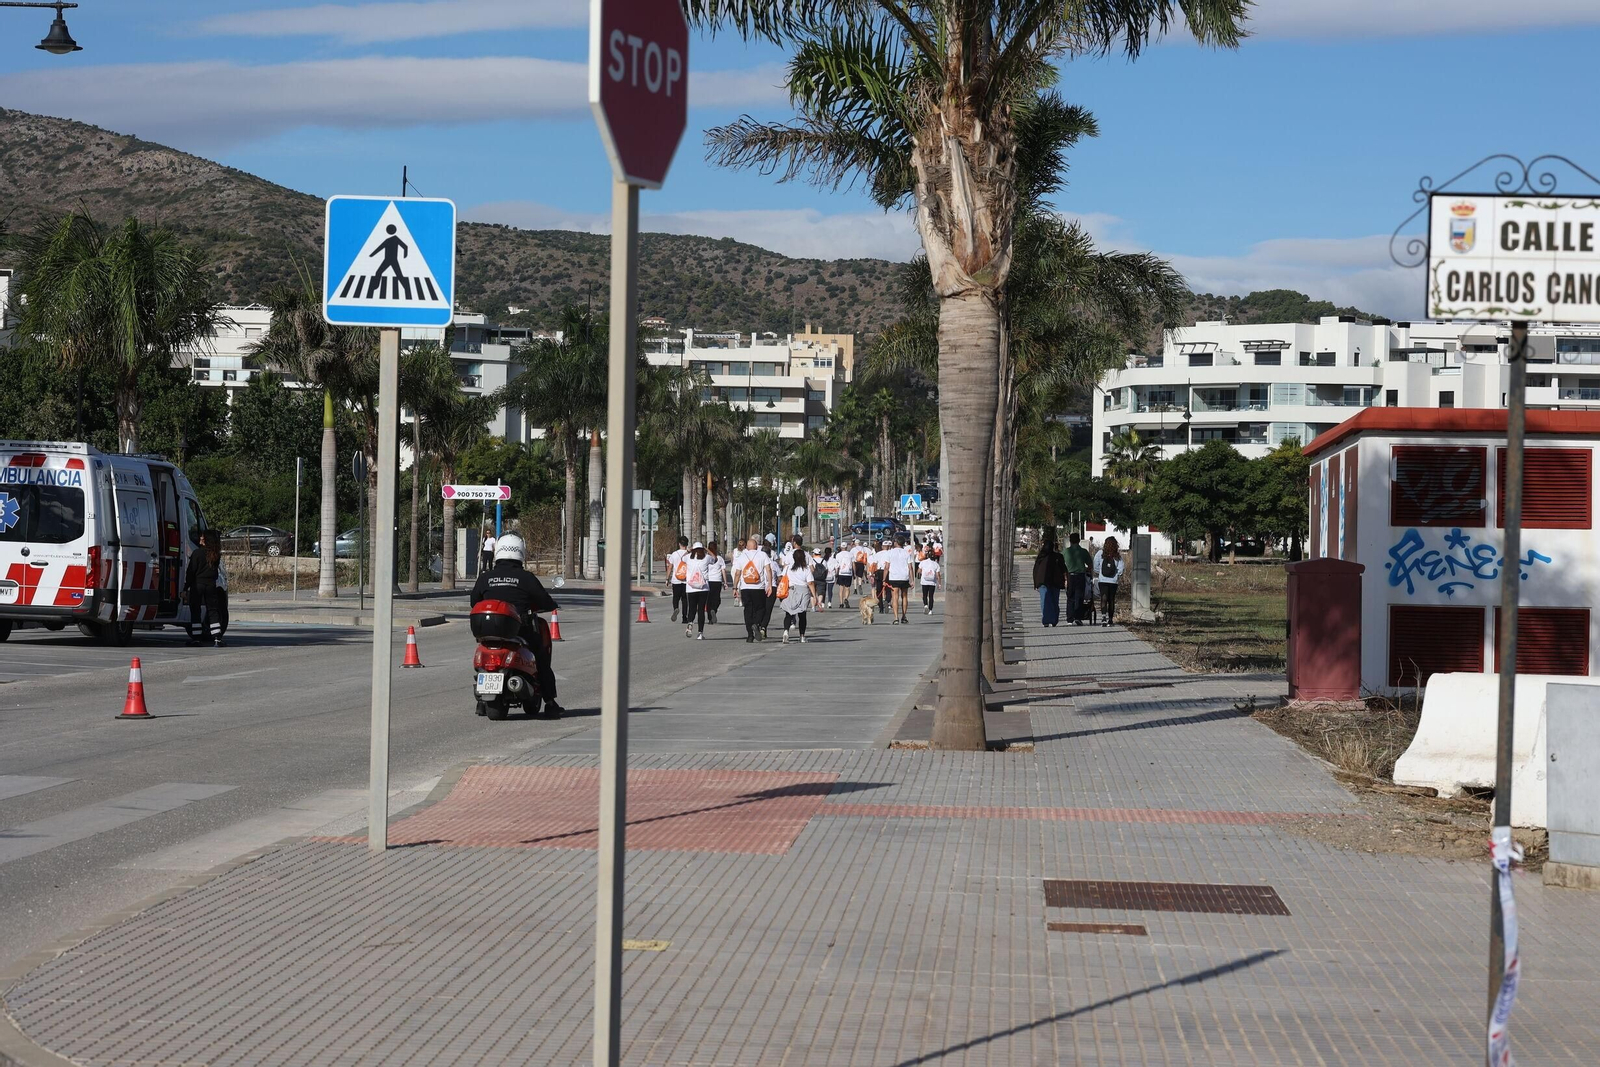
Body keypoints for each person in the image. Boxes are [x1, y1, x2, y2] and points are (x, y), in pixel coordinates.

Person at [470, 533, 564, 714]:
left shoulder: (485, 577)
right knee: (541, 657)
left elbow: (475, 601)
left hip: (490, 631)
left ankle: (482, 701)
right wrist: (551, 605)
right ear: (521, 552)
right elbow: (544, 600)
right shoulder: (525, 577)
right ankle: (550, 702)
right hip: (521, 628)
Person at [184, 529, 226, 647]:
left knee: (195, 610)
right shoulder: (215, 554)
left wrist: (185, 587)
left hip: (198, 585)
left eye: (203, 537)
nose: (200, 539)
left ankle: (196, 638)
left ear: (207, 539)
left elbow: (191, 572)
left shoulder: (197, 553)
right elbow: (216, 573)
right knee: (213, 610)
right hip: (211, 585)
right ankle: (217, 637)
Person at [731, 535, 770, 643]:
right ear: (756, 546)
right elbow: (768, 570)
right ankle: (756, 623)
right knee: (761, 608)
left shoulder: (742, 557)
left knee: (748, 610)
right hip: (758, 587)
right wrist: (770, 584)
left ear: (747, 547)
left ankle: (749, 635)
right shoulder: (762, 555)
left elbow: (738, 573)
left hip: (745, 588)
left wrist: (735, 587)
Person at [780, 547, 817, 644]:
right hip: (803, 591)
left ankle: (785, 632)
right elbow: (810, 583)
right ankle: (802, 636)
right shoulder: (806, 569)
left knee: (788, 613)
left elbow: (782, 577)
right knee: (802, 615)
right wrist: (814, 596)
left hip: (791, 590)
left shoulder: (788, 568)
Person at [1032, 533, 1067, 627]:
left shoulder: (1041, 557)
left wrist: (1035, 584)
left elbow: (1035, 570)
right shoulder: (1058, 557)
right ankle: (1054, 620)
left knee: (1045, 601)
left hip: (1042, 582)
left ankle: (1046, 620)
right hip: (1056, 582)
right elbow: (1063, 569)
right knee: (1055, 601)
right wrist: (1065, 580)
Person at [1093, 535, 1126, 627]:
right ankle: (1110, 619)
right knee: (1111, 599)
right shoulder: (1117, 555)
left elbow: (1095, 565)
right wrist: (1117, 575)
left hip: (1102, 580)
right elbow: (1121, 569)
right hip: (1113, 581)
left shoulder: (1100, 553)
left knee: (1103, 597)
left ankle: (1103, 618)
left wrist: (1099, 572)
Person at [680, 542, 711, 639]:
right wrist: (707, 549)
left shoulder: (689, 557)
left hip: (691, 587)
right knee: (701, 610)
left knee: (692, 608)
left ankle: (690, 623)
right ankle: (700, 633)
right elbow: (715, 558)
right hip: (703, 587)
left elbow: (682, 558)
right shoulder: (707, 557)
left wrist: (688, 550)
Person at [1064, 531, 1092, 626]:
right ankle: (1078, 617)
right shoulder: (1083, 551)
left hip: (1070, 576)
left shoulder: (1066, 552)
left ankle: (1069, 619)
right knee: (1079, 598)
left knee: (1070, 597)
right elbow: (1090, 564)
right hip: (1080, 576)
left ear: (1070, 541)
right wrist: (1086, 569)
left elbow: (1061, 564)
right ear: (1079, 541)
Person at [885, 535, 915, 623]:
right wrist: (912, 580)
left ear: (896, 542)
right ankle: (904, 616)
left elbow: (886, 567)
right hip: (904, 577)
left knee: (895, 597)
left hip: (894, 577)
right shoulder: (906, 553)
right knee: (904, 596)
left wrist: (884, 579)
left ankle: (896, 618)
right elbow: (910, 567)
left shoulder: (890, 553)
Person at [667, 536, 688, 622]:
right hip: (686, 580)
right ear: (687, 544)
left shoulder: (674, 554)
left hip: (676, 579)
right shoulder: (689, 554)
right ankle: (684, 617)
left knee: (676, 597)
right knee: (685, 600)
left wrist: (667, 578)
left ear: (679, 544)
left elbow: (670, 567)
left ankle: (676, 608)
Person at [705, 540, 725, 624]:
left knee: (708, 599)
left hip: (708, 580)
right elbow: (723, 570)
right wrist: (725, 582)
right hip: (717, 581)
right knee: (716, 599)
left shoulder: (706, 558)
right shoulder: (719, 558)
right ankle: (714, 610)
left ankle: (710, 618)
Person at [917, 550, 941, 615]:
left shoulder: (922, 562)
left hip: (924, 581)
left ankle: (925, 605)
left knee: (924, 595)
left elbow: (919, 571)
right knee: (931, 596)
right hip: (932, 582)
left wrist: (922, 574)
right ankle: (930, 610)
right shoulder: (936, 564)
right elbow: (938, 575)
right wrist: (939, 584)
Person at [835, 541, 855, 607]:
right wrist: (854, 573)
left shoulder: (838, 555)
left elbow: (837, 565)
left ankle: (841, 603)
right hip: (848, 573)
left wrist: (836, 573)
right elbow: (853, 564)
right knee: (847, 588)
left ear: (841, 547)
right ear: (847, 547)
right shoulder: (851, 554)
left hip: (841, 573)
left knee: (841, 589)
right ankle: (846, 598)